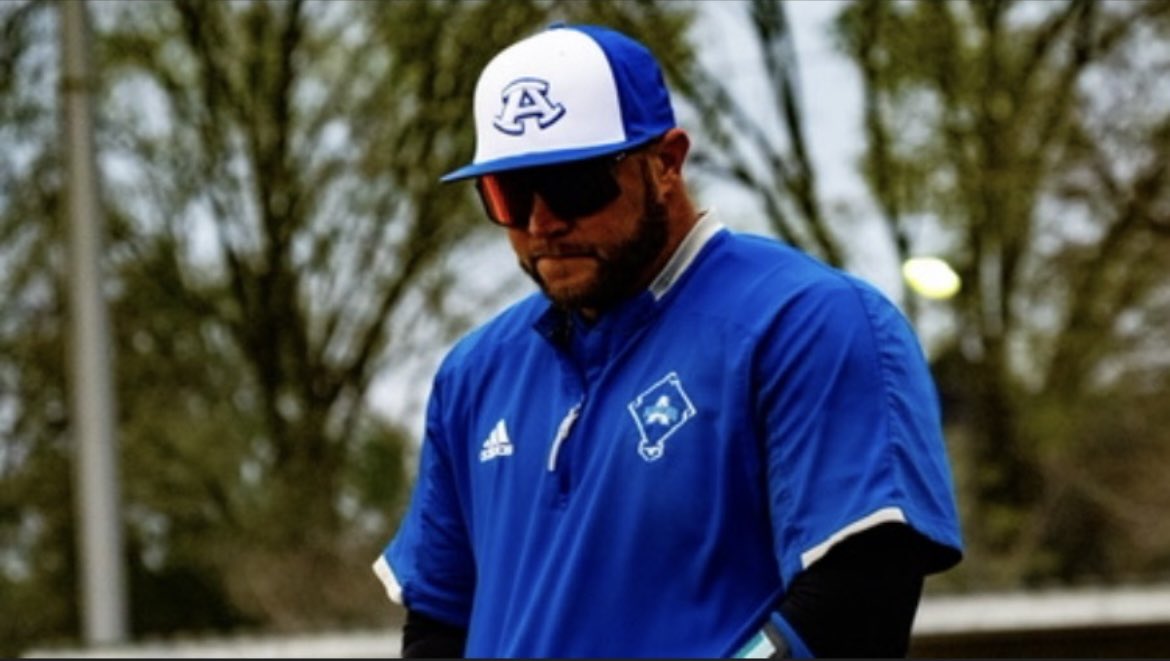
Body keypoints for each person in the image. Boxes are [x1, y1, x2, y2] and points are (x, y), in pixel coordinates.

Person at [373, 23, 963, 658]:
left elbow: (858, 603)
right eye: (510, 193)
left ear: (666, 163)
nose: (543, 221)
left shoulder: (809, 320)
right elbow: (439, 622)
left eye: (575, 182)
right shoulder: (474, 371)